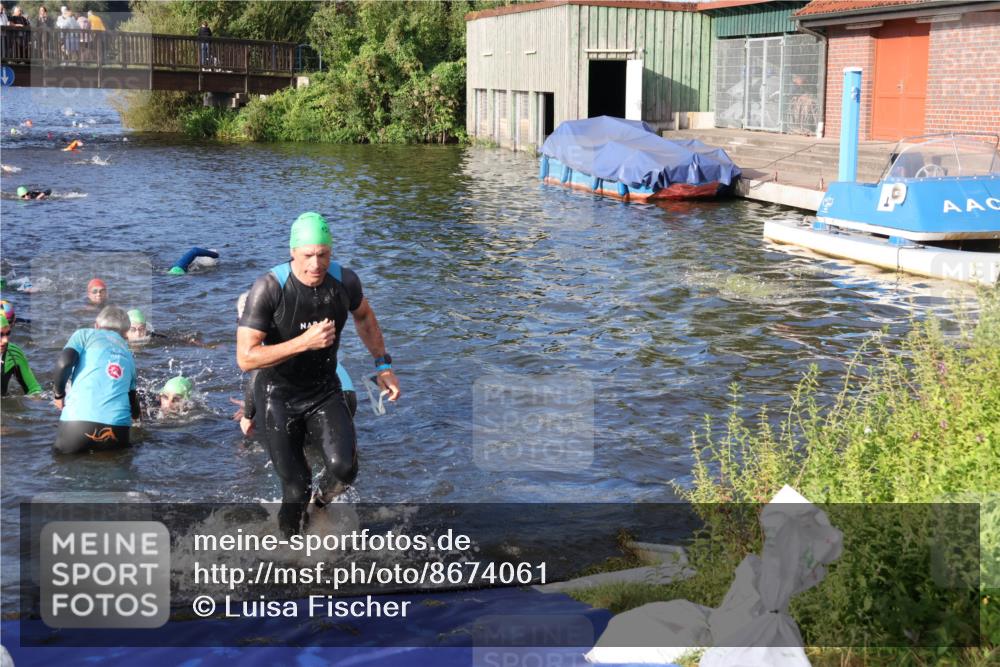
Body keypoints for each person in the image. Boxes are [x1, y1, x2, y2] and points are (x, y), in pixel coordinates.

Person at [237, 212, 400, 538]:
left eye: (323, 254)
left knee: (345, 469)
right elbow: (246, 357)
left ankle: (321, 503)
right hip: (277, 395)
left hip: (324, 390)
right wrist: (303, 342)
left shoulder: (345, 281)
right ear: (293, 251)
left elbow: (364, 316)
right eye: (308, 255)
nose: (316, 264)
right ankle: (290, 552)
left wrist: (382, 366)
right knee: (295, 488)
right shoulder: (269, 288)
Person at [233, 291, 357, 437]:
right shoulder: (293, 325)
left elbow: (259, 373)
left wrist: (248, 415)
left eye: (240, 322)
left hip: (324, 396)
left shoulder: (268, 340)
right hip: (346, 391)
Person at [53, 306, 140, 454]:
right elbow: (133, 405)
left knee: (63, 469)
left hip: (76, 426)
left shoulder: (84, 335)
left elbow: (64, 363)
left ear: (96, 325)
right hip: (117, 430)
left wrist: (59, 394)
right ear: (125, 333)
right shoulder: (129, 355)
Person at [1, 312, 42, 397]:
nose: (5, 340)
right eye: (0, 335)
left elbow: (34, 389)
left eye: (7, 333)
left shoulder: (14, 354)